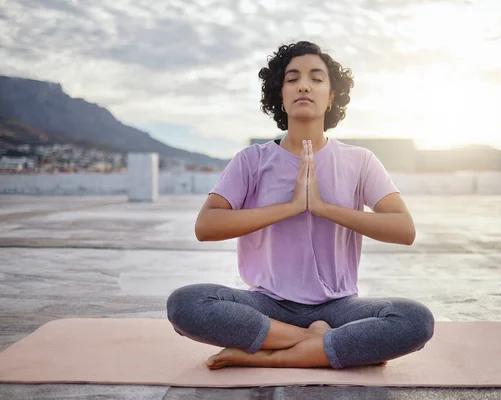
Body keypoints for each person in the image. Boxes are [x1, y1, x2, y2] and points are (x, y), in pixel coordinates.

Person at [167, 41, 435, 370]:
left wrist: (321, 206)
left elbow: (404, 229)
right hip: (266, 305)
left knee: (414, 320)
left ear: (332, 96)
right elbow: (206, 227)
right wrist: (291, 206)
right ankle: (317, 343)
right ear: (280, 94)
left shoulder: (359, 161)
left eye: (316, 78)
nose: (304, 85)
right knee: (186, 304)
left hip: (338, 308)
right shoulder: (251, 161)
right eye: (292, 79)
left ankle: (273, 354)